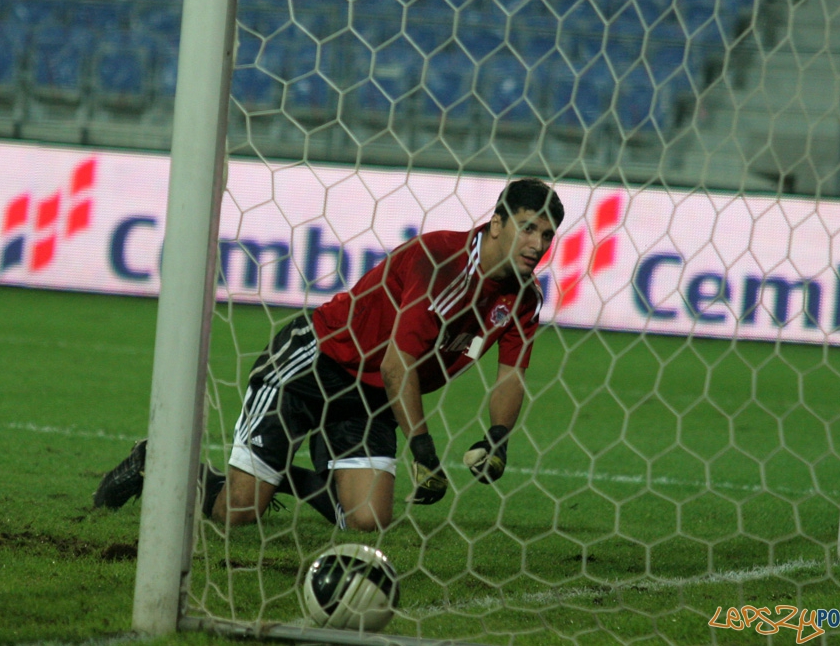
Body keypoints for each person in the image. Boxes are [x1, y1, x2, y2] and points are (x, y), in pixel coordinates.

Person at [93, 177, 565, 532]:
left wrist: (498, 438)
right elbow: (397, 364)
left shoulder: (523, 298)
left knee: (365, 521)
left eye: (546, 236)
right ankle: (156, 459)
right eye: (528, 229)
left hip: (374, 398)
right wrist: (422, 448)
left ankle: (283, 475)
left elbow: (511, 375)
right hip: (315, 363)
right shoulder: (439, 260)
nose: (537, 245)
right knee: (238, 510)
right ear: (498, 223)